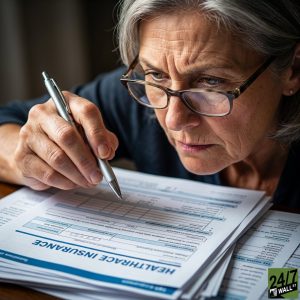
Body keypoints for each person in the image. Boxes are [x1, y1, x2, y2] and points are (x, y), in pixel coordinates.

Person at [0, 0, 299, 208]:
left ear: (292, 70)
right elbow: (6, 121)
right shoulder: (144, 92)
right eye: (156, 74)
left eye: (211, 82)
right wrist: (25, 159)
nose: (172, 119)